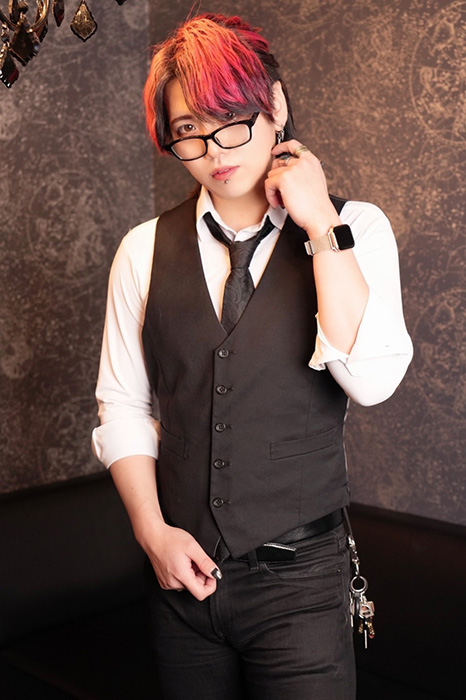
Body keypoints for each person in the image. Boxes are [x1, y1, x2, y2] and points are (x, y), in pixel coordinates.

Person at [92, 13, 413, 700]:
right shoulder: (141, 251)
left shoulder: (357, 228)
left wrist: (320, 224)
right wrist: (152, 534)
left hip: (303, 585)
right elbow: (122, 405)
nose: (214, 149)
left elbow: (372, 380)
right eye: (188, 129)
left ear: (275, 106)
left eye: (231, 120)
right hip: (180, 580)